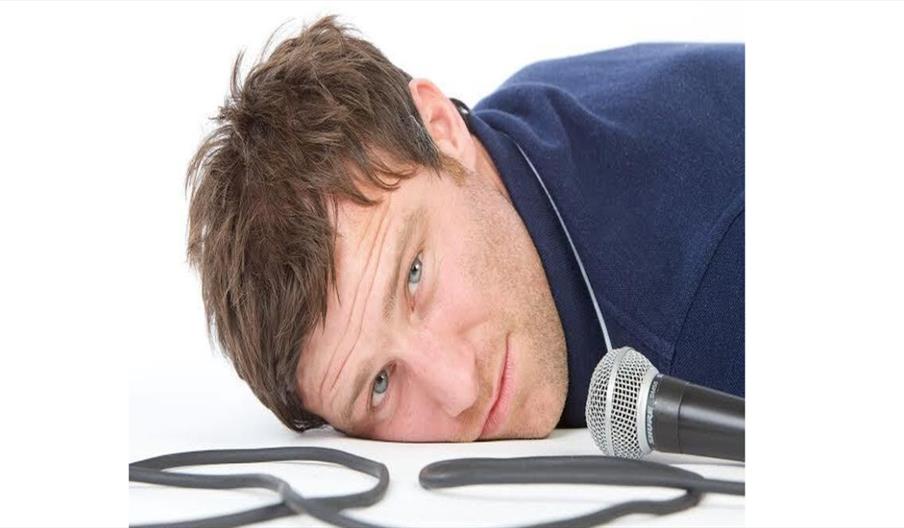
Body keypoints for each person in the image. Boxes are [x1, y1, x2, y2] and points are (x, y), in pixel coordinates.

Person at [185, 15, 744, 442]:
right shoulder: (500, 145)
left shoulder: (713, 291)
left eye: (414, 275)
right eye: (380, 383)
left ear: (441, 128)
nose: (458, 387)